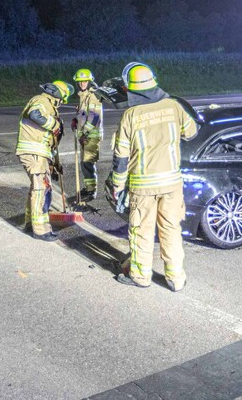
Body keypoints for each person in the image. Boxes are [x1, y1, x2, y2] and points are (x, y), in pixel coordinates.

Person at [109, 63, 198, 292]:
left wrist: (117, 185)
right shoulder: (174, 106)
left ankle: (140, 276)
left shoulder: (131, 115)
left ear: (130, 88)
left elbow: (121, 156)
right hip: (172, 184)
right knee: (171, 229)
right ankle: (176, 279)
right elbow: (191, 132)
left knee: (142, 230)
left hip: (143, 185)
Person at [16, 81, 72, 242]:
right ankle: (40, 230)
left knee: (37, 188)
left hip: (38, 153)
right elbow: (35, 114)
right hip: (33, 152)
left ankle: (30, 224)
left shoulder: (46, 103)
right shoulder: (42, 101)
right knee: (41, 190)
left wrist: (54, 164)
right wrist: (54, 124)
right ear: (59, 95)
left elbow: (49, 141)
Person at [71, 68, 103, 202]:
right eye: (80, 82)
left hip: (91, 136)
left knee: (88, 163)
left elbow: (94, 117)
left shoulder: (93, 96)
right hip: (85, 136)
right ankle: (88, 187)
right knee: (85, 164)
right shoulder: (84, 96)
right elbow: (84, 115)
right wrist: (76, 119)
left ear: (90, 81)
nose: (82, 84)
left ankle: (92, 190)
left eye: (85, 81)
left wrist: (85, 133)